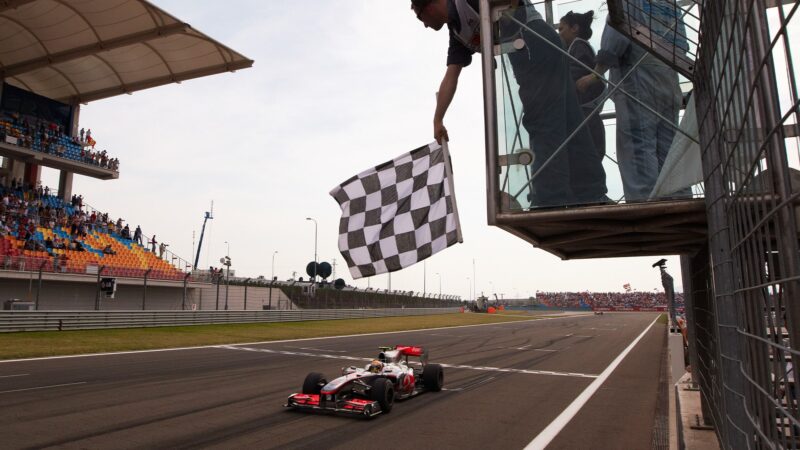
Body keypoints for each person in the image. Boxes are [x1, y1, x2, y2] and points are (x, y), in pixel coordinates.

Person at [411, 0, 606, 207]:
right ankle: (590, 192)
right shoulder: (457, 32)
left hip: (535, 44)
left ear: (430, 5)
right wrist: (438, 119)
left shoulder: (465, 2)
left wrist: (506, 14)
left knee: (542, 123)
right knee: (569, 119)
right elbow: (451, 76)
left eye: (419, 16)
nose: (423, 24)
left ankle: (551, 199)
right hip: (530, 55)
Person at [577, 18, 685, 202]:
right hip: (668, 81)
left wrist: (595, 74)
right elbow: (682, 46)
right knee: (670, 152)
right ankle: (679, 199)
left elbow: (615, 37)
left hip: (637, 80)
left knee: (639, 151)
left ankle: (646, 209)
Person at [558, 11, 606, 162]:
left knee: (583, 160)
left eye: (561, 28)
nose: (559, 33)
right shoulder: (580, 47)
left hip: (584, 115)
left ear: (574, 28)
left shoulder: (578, 46)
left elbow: (576, 72)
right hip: (588, 114)